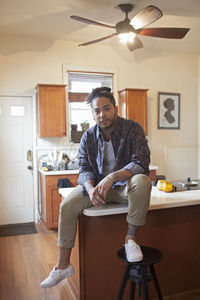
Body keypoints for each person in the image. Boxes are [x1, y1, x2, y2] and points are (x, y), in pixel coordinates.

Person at [40, 87, 152, 288]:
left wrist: (112, 177)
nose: (102, 114)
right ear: (92, 113)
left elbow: (141, 162)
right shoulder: (88, 137)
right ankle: (62, 265)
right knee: (67, 205)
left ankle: (130, 239)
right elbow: (83, 169)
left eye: (106, 109)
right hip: (98, 189)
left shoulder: (132, 129)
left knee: (142, 180)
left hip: (123, 187)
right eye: (97, 111)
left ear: (115, 108)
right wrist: (91, 190)